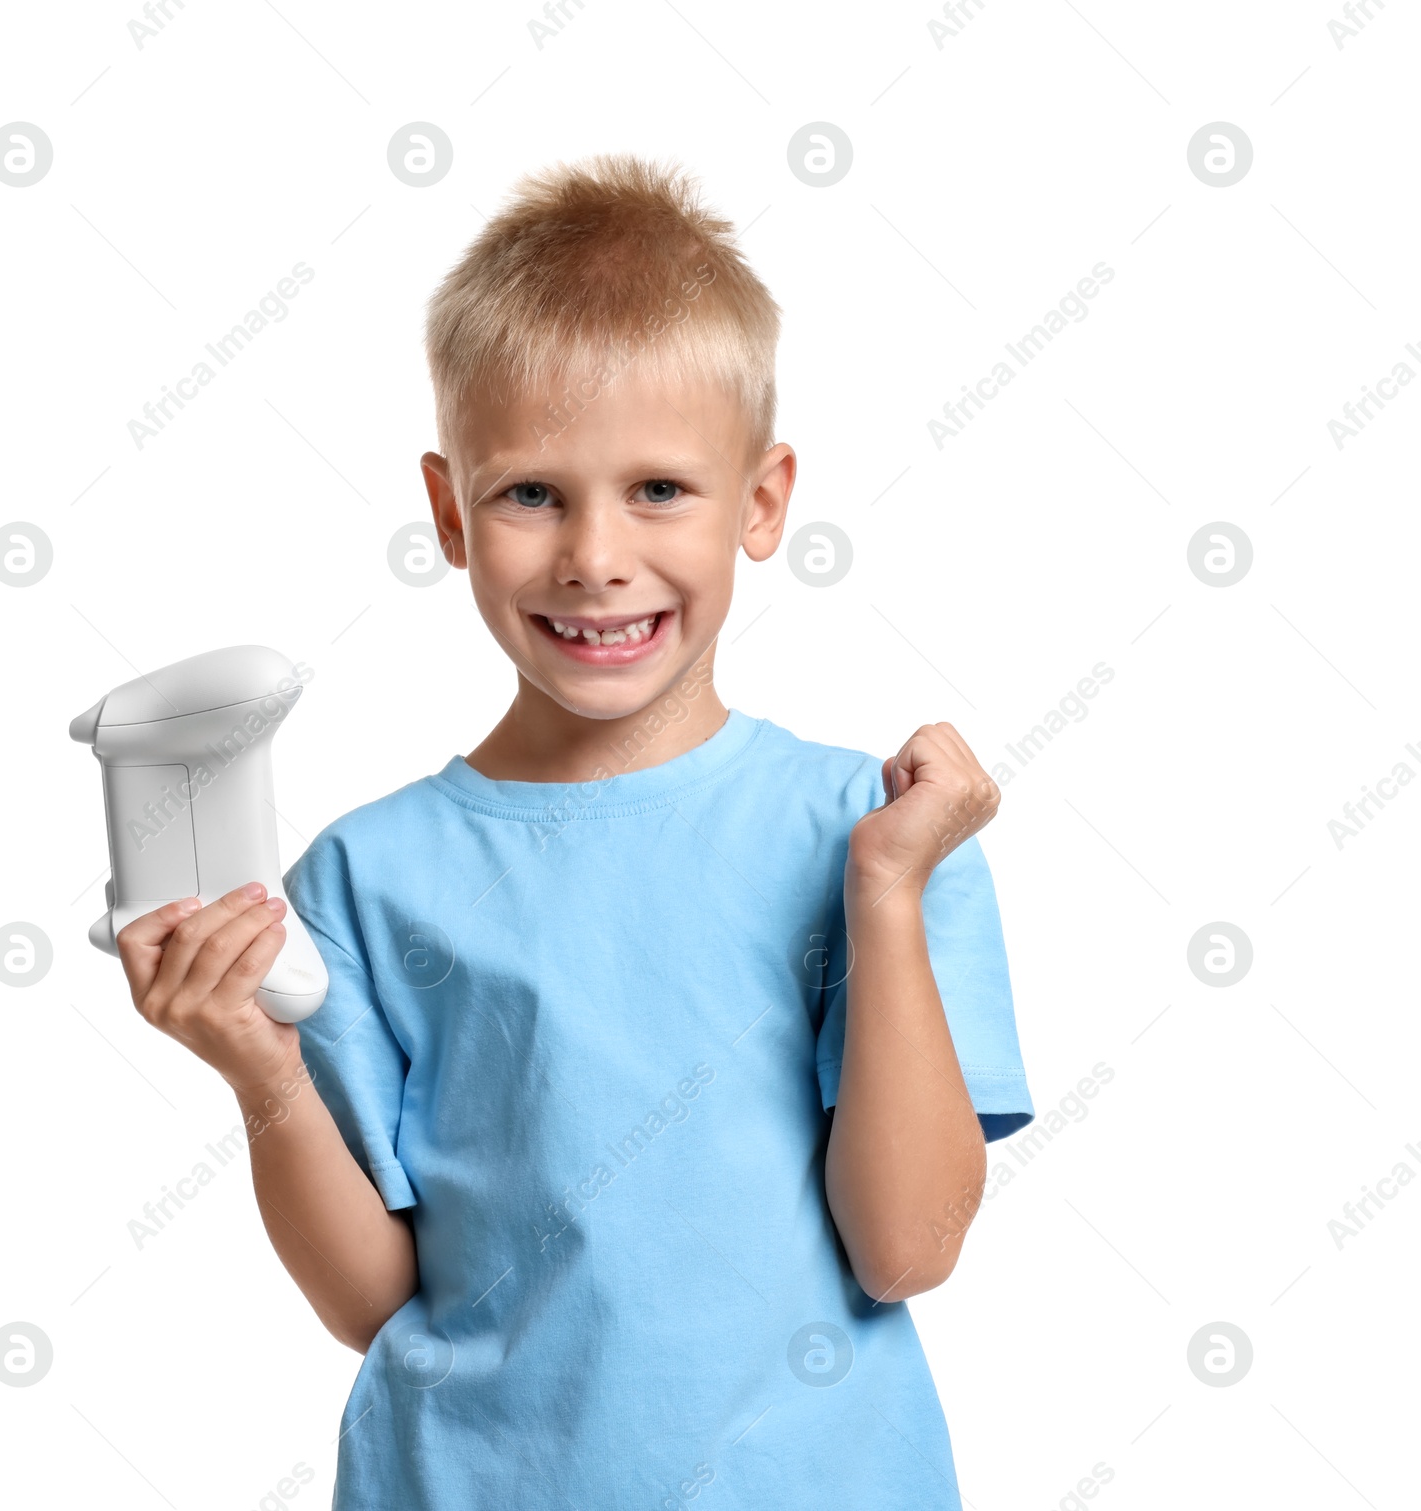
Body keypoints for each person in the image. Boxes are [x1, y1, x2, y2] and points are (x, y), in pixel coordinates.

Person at [114, 153, 1034, 1510]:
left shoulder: (873, 834)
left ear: (764, 501)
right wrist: (264, 1079)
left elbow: (904, 1248)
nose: (595, 555)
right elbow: (376, 1302)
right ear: (448, 513)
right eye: (531, 493)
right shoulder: (367, 881)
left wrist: (886, 901)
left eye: (660, 488)